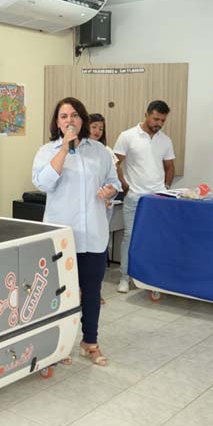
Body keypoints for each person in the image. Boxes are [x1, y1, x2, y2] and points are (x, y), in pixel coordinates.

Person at [32, 97, 120, 366]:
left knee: (92, 292)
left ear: (82, 119)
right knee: (60, 294)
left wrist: (110, 190)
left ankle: (89, 342)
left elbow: (114, 181)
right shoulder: (48, 151)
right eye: (63, 116)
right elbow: (43, 183)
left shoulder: (100, 152)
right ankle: (58, 347)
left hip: (93, 234)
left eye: (74, 115)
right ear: (57, 123)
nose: (69, 120)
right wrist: (64, 150)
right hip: (62, 235)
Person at [114, 100, 176, 293]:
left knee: (155, 238)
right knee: (130, 237)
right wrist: (124, 185)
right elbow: (115, 163)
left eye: (162, 121)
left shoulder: (165, 140)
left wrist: (165, 187)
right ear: (147, 114)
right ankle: (125, 277)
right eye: (156, 118)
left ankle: (152, 277)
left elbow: (170, 167)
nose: (158, 123)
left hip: (158, 199)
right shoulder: (127, 136)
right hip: (134, 197)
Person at [88, 113, 117, 305]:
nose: (98, 131)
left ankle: (95, 291)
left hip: (102, 208)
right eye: (94, 127)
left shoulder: (106, 151)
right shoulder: (76, 149)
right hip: (83, 209)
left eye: (101, 128)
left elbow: (114, 182)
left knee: (98, 250)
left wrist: (109, 194)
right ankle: (82, 291)